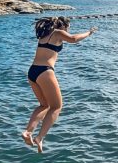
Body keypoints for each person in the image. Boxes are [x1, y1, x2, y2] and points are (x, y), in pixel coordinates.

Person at [22, 16, 98, 152]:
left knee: (44, 105)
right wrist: (89, 33)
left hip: (32, 71)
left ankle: (28, 132)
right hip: (45, 71)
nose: (68, 31)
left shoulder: (44, 35)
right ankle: (39, 138)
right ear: (64, 26)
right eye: (68, 28)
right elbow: (73, 39)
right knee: (57, 107)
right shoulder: (58, 32)